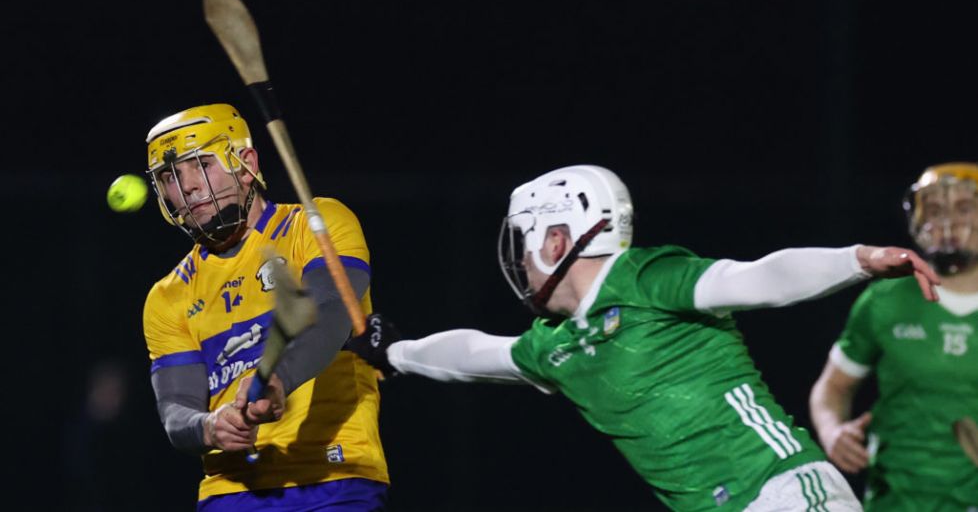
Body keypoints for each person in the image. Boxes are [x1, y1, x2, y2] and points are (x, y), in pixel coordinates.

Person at [348, 164, 940, 511]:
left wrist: (857, 260)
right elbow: (478, 353)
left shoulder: (649, 278)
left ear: (556, 239)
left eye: (525, 242)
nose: (520, 262)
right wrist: (394, 352)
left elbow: (758, 278)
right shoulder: (557, 346)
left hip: (785, 492)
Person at [141, 104, 389, 511]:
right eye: (170, 176)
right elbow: (175, 410)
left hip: (334, 478)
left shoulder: (318, 223)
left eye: (201, 164)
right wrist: (209, 426)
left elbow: (332, 312)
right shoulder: (168, 295)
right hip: (231, 492)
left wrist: (279, 379)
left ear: (246, 162)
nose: (187, 186)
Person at [809, 162, 978, 510]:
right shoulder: (886, 299)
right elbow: (833, 387)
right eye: (935, 209)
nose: (949, 222)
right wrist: (832, 432)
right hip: (894, 499)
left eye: (964, 208)